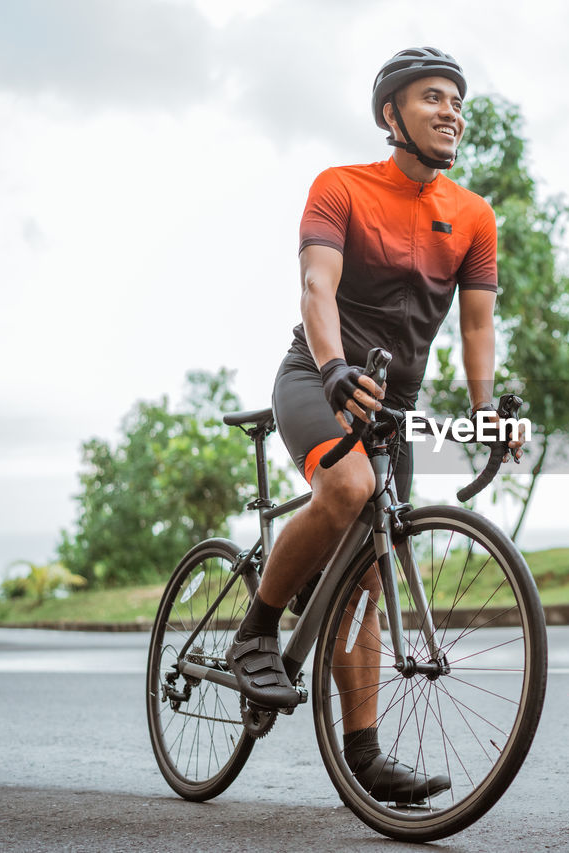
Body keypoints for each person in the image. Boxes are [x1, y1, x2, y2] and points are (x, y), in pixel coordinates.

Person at [227, 47, 519, 802]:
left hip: (391, 408)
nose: (451, 110)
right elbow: (315, 287)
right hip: (318, 379)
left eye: (457, 99)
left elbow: (478, 329)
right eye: (432, 96)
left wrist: (486, 417)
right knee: (349, 484)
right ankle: (256, 629)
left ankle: (363, 753)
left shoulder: (474, 217)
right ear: (391, 115)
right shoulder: (341, 187)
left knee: (362, 578)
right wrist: (331, 367)